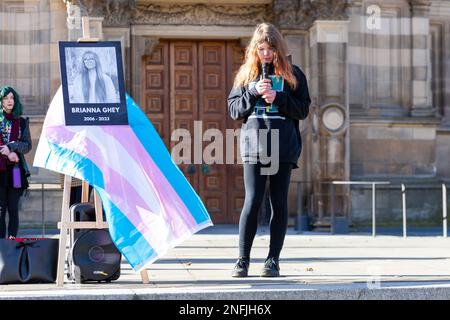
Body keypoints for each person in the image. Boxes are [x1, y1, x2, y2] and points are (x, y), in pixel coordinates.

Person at [227, 23, 311, 277]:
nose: (266, 54)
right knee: (252, 201)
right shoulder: (245, 75)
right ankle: (242, 260)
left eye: (270, 49)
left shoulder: (293, 74)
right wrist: (253, 92)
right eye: (261, 49)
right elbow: (234, 111)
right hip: (254, 146)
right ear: (255, 49)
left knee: (278, 203)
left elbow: (303, 110)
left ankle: (272, 260)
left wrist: (280, 98)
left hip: (282, 147)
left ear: (278, 50)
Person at [0, 86, 32, 239]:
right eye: (6, 98)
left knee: (13, 209)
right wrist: (5, 152)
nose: (9, 101)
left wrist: (11, 148)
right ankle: (1, 247)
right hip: (0, 171)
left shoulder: (22, 122)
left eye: (12, 98)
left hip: (16, 171)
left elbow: (27, 146)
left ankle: (12, 245)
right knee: (0, 210)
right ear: (1, 102)